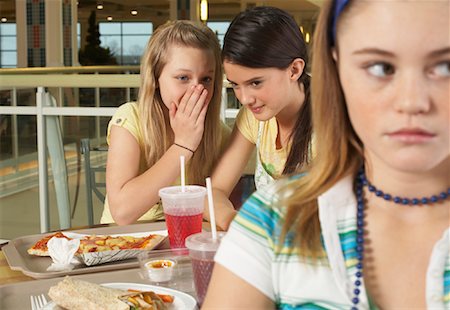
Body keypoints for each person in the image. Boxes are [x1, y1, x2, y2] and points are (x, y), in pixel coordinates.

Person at [203, 0, 449, 309]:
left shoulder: (327, 131)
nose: (412, 102)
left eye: (445, 66)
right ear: (339, 69)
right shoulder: (269, 219)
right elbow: (214, 192)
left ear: (296, 70)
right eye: (380, 67)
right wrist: (247, 230)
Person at [101, 20, 230, 225]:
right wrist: (183, 145)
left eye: (206, 79)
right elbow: (122, 212)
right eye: (183, 78)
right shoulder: (129, 120)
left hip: (184, 246)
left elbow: (217, 206)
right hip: (123, 245)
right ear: (156, 79)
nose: (196, 90)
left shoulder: (221, 135)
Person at [206, 6, 313, 230]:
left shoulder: (332, 121)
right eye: (235, 85)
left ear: (294, 70)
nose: (244, 99)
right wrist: (237, 223)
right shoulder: (253, 117)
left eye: (256, 83)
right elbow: (213, 192)